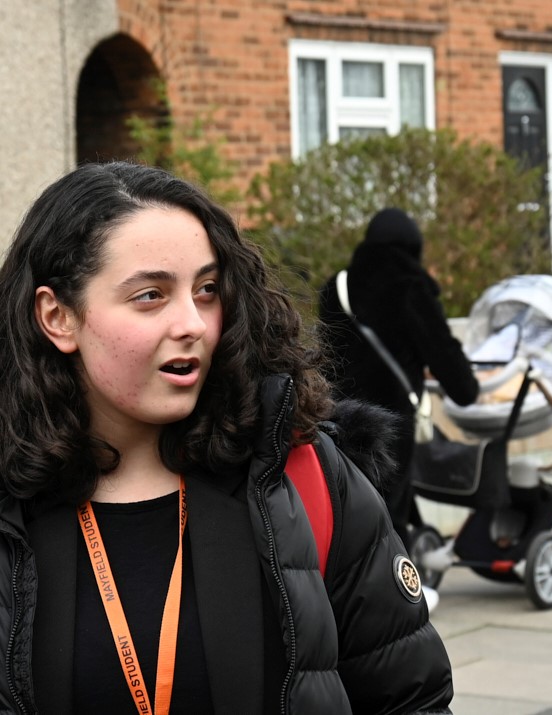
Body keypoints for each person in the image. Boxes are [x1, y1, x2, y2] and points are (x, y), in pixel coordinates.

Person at [0, 161, 453, 713]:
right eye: (150, 295)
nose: (193, 322)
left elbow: (412, 698)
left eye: (207, 290)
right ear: (58, 317)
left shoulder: (300, 477)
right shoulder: (14, 503)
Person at [318, 208, 479, 557]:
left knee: (345, 507)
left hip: (336, 418)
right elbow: (443, 351)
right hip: (391, 423)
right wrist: (467, 389)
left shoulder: (337, 286)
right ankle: (395, 594)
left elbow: (327, 352)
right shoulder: (410, 287)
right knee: (388, 514)